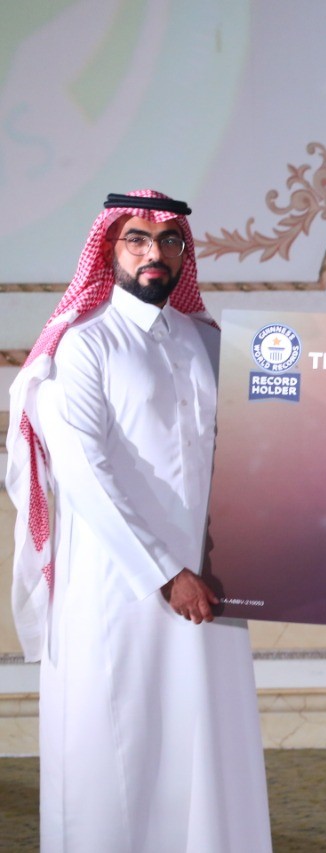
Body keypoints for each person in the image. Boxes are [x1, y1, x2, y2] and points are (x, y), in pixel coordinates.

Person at [6, 190, 273, 851]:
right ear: (109, 248)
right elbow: (84, 473)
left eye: (170, 240)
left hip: (211, 578)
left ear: (184, 253)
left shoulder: (208, 342)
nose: (155, 253)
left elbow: (255, 449)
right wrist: (164, 572)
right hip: (118, 584)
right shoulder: (83, 345)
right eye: (137, 239)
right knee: (118, 743)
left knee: (207, 739)